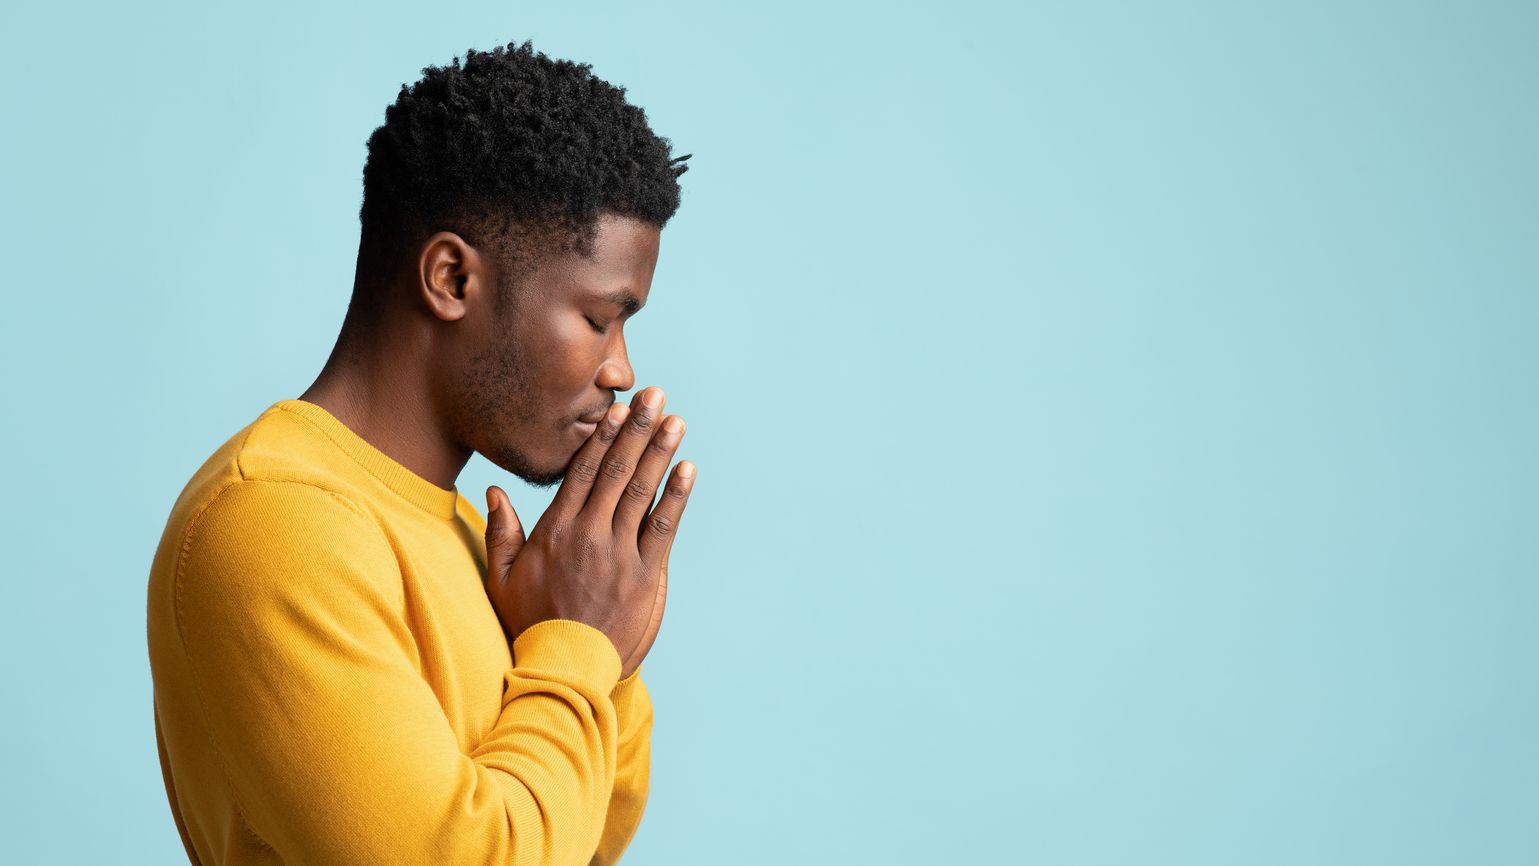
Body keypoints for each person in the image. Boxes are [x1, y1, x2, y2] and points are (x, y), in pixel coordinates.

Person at [145, 40, 696, 865]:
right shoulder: (272, 523)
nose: (620, 370)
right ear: (451, 279)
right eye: (597, 318)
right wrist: (581, 643)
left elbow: (579, 842)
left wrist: (600, 644)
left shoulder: (478, 545)